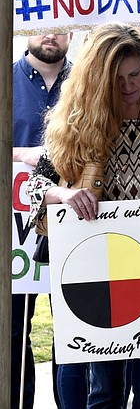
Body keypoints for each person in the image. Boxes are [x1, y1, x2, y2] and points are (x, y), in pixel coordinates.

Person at [26, 22, 140, 409]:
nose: (129, 87)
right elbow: (33, 187)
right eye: (117, 79)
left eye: (136, 76)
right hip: (96, 267)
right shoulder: (81, 115)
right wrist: (63, 193)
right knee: (104, 390)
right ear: (99, 78)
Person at [12, 32, 72, 409]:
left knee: (75, 329)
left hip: (73, 219)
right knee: (14, 331)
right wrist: (26, 154)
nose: (51, 33)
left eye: (60, 25)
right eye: (43, 23)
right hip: (14, 229)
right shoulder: (6, 79)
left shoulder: (86, 81)